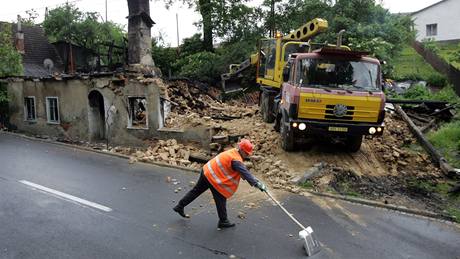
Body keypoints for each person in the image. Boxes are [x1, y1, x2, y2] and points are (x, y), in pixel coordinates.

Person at [173, 139, 267, 229]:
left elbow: (243, 171)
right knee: (221, 197)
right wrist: (257, 184)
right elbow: (245, 173)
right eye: (246, 153)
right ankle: (223, 221)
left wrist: (255, 180)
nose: (247, 155)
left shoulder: (233, 152)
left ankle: (179, 206)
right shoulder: (236, 160)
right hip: (213, 177)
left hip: (207, 171)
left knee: (196, 191)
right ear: (241, 150)